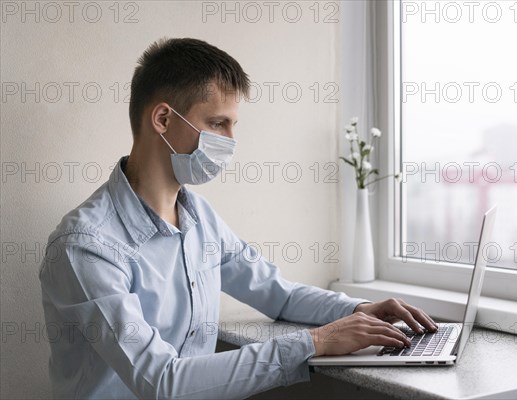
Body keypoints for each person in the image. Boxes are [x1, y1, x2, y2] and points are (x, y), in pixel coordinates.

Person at [39, 37, 437, 399]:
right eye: (217, 124)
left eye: (233, 125)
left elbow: (277, 293)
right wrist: (316, 342)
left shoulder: (198, 217)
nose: (230, 141)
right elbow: (163, 382)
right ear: (162, 119)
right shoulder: (87, 246)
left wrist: (356, 310)